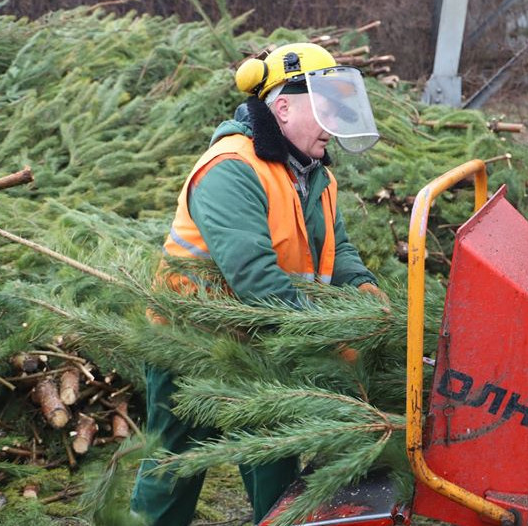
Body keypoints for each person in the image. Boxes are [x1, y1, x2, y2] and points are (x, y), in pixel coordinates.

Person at [130, 43, 388, 526]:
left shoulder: (316, 177)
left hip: (265, 343)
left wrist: (364, 293)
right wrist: (334, 338)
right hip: (191, 344)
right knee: (173, 469)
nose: (334, 121)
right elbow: (257, 280)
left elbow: (339, 250)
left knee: (276, 469)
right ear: (283, 108)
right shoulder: (231, 168)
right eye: (324, 106)